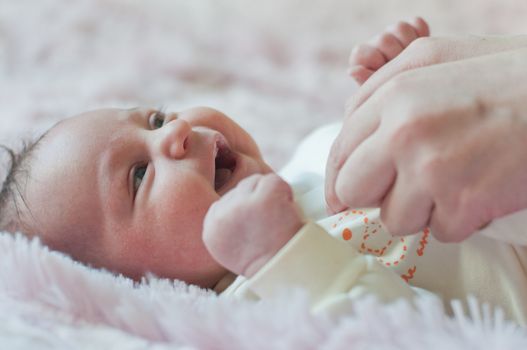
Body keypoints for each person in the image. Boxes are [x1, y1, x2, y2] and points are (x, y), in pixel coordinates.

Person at [1, 18, 526, 323]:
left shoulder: (306, 161)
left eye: (156, 118)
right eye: (139, 175)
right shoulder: (253, 306)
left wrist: (393, 87)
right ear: (133, 286)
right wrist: (283, 255)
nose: (174, 132)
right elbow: (396, 332)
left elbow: (442, 137)